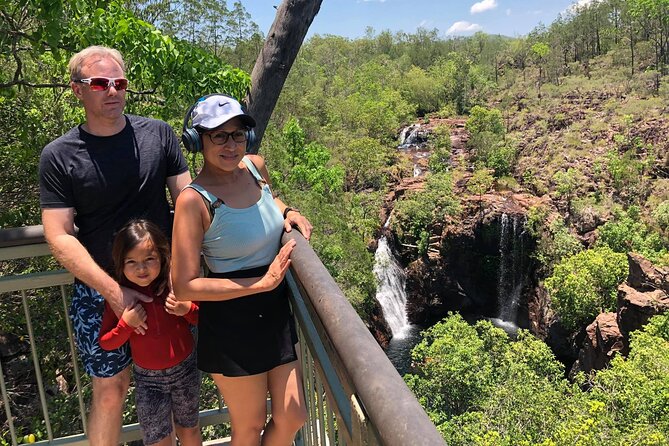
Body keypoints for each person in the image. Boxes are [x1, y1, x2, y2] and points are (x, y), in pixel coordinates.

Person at [38, 46, 192, 445]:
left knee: (177, 383)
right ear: (77, 90)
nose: (113, 91)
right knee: (111, 391)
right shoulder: (59, 156)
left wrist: (180, 276)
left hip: (163, 284)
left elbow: (190, 205)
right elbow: (58, 235)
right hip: (99, 292)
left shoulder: (158, 134)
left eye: (119, 83)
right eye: (101, 83)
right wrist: (113, 292)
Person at [172, 94, 312, 446]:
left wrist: (288, 210)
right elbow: (185, 285)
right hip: (232, 318)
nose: (231, 144)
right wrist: (257, 285)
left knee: (293, 415)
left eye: (237, 134)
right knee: (249, 428)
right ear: (196, 140)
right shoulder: (194, 200)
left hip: (274, 308)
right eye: (219, 135)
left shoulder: (254, 167)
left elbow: (268, 198)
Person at [99, 219, 201, 446]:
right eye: (131, 262)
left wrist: (187, 309)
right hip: (148, 380)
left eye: (149, 259)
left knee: (190, 431)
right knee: (157, 440)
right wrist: (126, 324)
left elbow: (203, 318)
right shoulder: (121, 299)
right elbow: (106, 343)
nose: (141, 268)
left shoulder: (176, 285)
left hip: (186, 370)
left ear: (163, 257)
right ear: (121, 264)